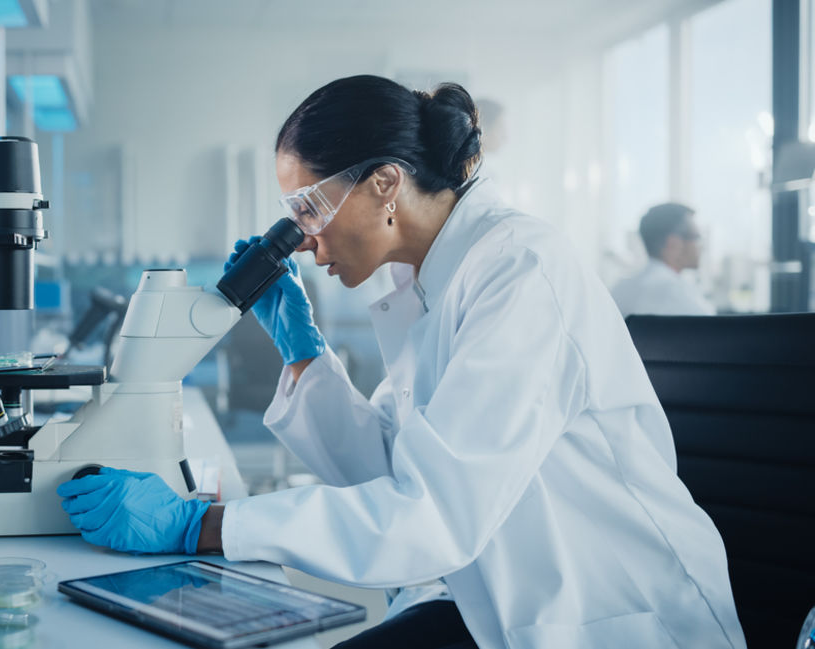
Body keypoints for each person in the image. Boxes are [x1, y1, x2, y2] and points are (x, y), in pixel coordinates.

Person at [57, 75, 745, 649]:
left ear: (385, 182)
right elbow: (387, 470)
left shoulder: (520, 271)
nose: (305, 241)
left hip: (616, 621)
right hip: (498, 604)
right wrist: (304, 354)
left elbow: (431, 515)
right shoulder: (425, 283)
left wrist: (206, 525)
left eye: (310, 208)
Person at [612, 203, 715, 317]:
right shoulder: (676, 292)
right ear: (673, 243)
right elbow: (714, 330)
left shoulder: (620, 289)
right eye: (696, 238)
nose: (702, 247)